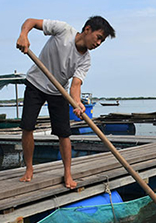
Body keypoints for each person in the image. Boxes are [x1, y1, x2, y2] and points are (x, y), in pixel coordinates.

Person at [16, 16, 116, 189]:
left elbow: (76, 84)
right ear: (87, 29)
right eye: (98, 37)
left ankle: (68, 173)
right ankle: (29, 168)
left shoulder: (86, 60)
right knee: (28, 126)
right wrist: (24, 35)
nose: (99, 43)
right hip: (35, 83)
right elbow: (31, 22)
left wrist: (77, 103)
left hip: (58, 90)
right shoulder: (63, 30)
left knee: (64, 133)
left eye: (102, 41)